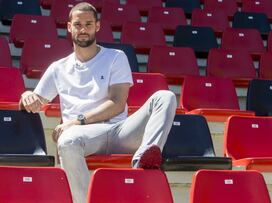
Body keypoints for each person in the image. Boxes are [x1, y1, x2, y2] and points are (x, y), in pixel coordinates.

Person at [19, 2, 177, 203]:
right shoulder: (58, 68)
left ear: (97, 26)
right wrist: (26, 96)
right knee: (67, 141)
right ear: (69, 27)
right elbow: (36, 102)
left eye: (88, 24)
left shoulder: (115, 57)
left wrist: (77, 121)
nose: (83, 29)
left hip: (120, 130)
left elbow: (117, 103)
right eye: (77, 24)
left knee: (166, 97)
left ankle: (142, 162)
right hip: (84, 136)